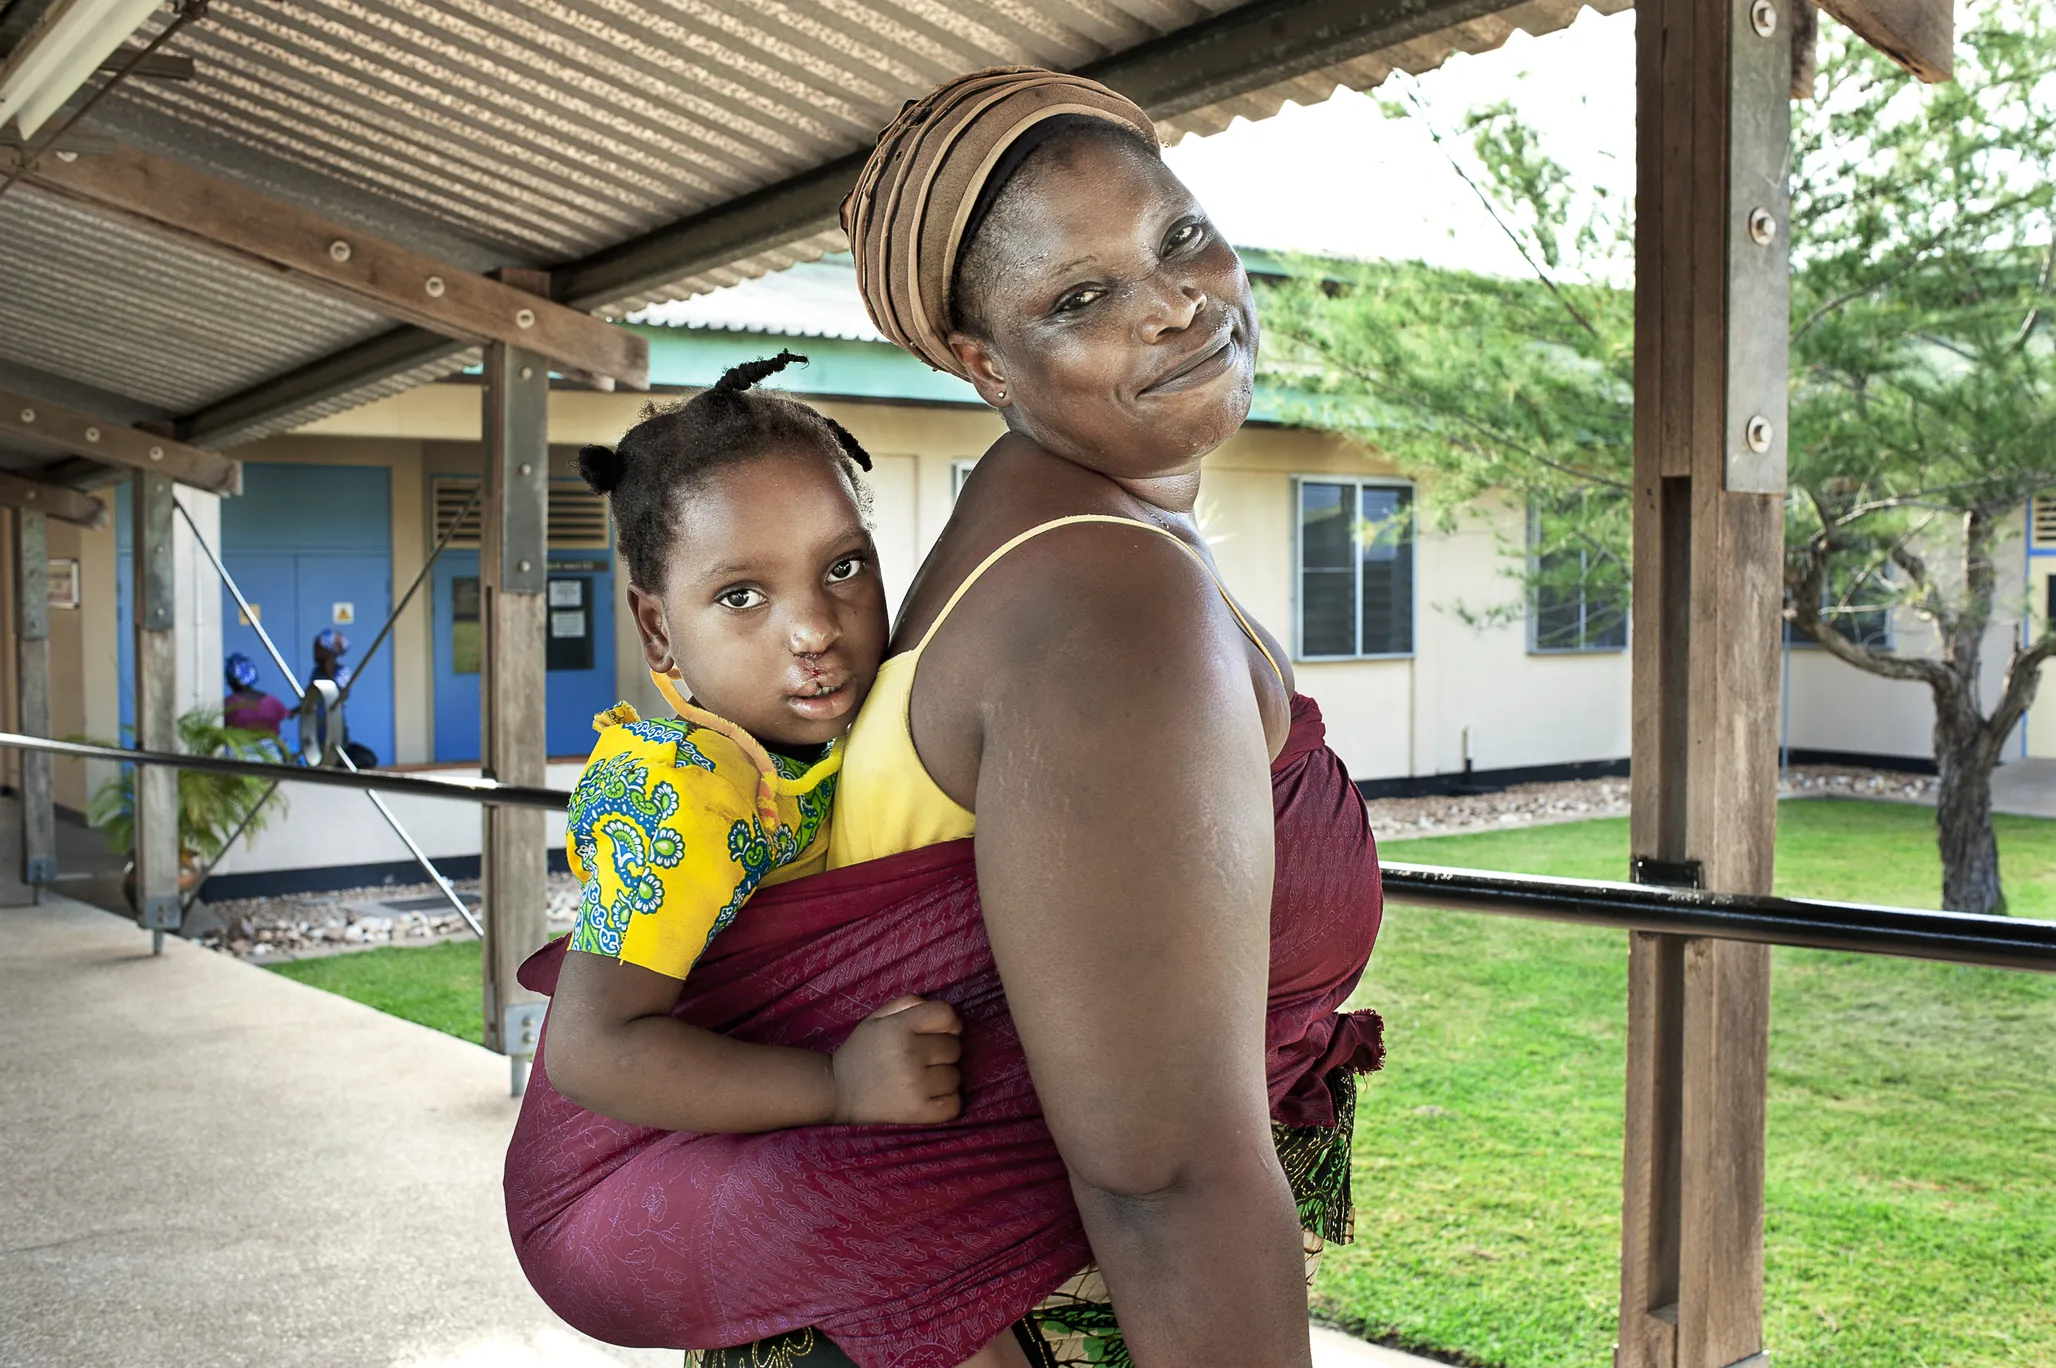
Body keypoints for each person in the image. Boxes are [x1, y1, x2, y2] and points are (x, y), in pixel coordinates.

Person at [505, 68, 1385, 1368]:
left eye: (1178, 234)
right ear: (983, 361)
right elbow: (1164, 1183)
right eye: (1079, 296)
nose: (1173, 304)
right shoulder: (1107, 605)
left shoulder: (1053, 544)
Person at [310, 628, 378, 769]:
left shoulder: (343, 672)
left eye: (319, 649)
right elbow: (312, 696)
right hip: (316, 728)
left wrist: (329, 669)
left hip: (335, 727)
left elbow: (341, 694)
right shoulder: (316, 673)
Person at [221, 653, 289, 736]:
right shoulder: (272, 701)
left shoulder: (229, 703)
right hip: (271, 748)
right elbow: (287, 714)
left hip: (239, 747)